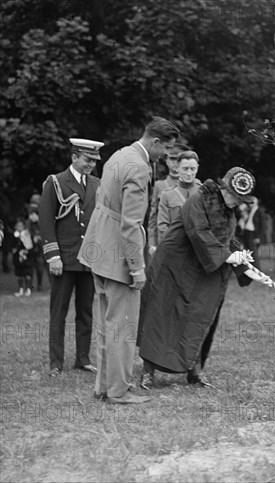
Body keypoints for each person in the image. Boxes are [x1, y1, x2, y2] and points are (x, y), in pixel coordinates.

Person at [79, 117, 180, 404]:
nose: (166, 156)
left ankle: (104, 387)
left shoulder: (120, 154)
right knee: (123, 326)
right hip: (118, 255)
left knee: (106, 325)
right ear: (155, 142)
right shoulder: (139, 167)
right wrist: (137, 268)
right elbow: (131, 224)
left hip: (99, 248)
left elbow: (103, 199)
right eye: (167, 149)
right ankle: (119, 391)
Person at [137, 167, 260, 389]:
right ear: (223, 188)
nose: (237, 202)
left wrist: (245, 265)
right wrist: (229, 256)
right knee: (160, 317)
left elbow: (227, 239)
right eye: (235, 196)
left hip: (201, 268)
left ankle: (195, 372)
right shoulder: (198, 200)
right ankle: (148, 372)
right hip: (174, 266)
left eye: (241, 199)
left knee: (199, 316)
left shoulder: (228, 210)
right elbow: (199, 233)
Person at [39, 139, 102, 376]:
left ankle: (83, 359)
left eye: (94, 161)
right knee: (59, 311)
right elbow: (46, 220)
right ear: (74, 157)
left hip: (88, 259)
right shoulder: (55, 182)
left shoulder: (97, 183)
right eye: (87, 160)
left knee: (86, 311)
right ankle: (56, 362)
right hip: (63, 258)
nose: (91, 165)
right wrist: (53, 255)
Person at [147, 142, 189, 255]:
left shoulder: (192, 186)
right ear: (166, 160)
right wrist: (152, 244)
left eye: (178, 160)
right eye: (172, 159)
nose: (175, 163)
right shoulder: (159, 186)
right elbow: (153, 217)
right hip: (165, 240)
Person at [156, 150, 202, 244]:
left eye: (192, 169)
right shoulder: (167, 195)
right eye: (185, 169)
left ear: (197, 169)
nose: (189, 173)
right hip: (176, 248)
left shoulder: (204, 193)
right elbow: (163, 227)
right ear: (178, 168)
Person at [236, 196, 266, 269]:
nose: (250, 204)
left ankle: (258, 270)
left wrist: (258, 237)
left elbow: (263, 226)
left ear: (256, 203)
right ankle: (249, 270)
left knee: (253, 253)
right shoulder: (248, 210)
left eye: (252, 202)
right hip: (246, 233)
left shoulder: (259, 211)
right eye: (249, 202)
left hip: (253, 234)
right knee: (247, 253)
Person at [12, 217, 35, 297]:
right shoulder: (14, 235)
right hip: (17, 259)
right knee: (19, 274)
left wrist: (26, 250)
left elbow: (30, 247)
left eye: (21, 226)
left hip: (27, 258)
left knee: (27, 273)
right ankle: (20, 289)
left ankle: (28, 289)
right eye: (17, 226)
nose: (19, 227)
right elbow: (12, 246)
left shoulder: (27, 234)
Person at [26, 204, 46, 291]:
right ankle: (29, 287)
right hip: (32, 250)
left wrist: (39, 237)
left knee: (41, 268)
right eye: (29, 214)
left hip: (42, 250)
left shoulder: (43, 222)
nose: (30, 217)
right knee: (30, 269)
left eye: (32, 214)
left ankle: (40, 285)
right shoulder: (29, 223)